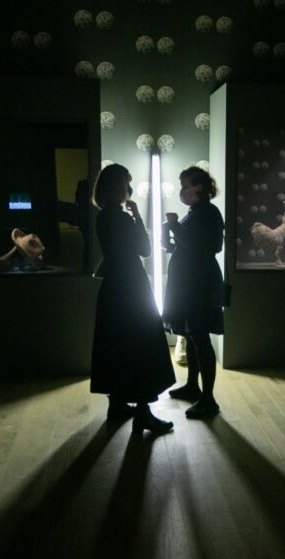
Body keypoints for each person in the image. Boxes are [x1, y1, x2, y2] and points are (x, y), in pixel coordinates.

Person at [90, 164, 175, 433]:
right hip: (132, 287)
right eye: (126, 182)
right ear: (118, 186)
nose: (129, 188)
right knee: (142, 346)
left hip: (114, 287)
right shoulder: (123, 218)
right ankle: (143, 412)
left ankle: (116, 405)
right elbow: (146, 250)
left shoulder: (103, 216)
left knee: (116, 346)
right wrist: (138, 217)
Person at [162, 166, 225, 418]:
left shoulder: (208, 212)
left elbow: (205, 246)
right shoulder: (197, 212)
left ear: (199, 188)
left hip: (198, 283)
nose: (182, 191)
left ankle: (208, 399)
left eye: (186, 186)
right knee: (191, 335)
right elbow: (190, 245)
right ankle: (192, 386)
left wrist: (174, 226)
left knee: (199, 337)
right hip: (191, 281)